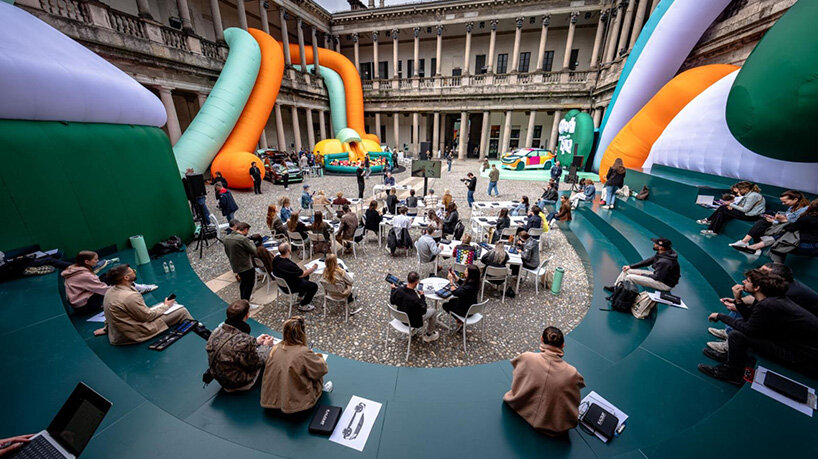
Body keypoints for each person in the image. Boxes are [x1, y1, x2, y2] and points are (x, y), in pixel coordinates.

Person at [698, 270, 818, 385]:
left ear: (757, 288)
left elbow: (748, 329)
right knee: (739, 322)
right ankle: (730, 357)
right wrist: (738, 301)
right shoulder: (771, 299)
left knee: (737, 335)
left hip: (802, 357)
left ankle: (731, 373)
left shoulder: (768, 304)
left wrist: (720, 316)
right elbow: (750, 320)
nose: (744, 282)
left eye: (748, 280)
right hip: (791, 345)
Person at [706, 262, 818, 353]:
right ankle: (728, 332)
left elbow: (752, 325)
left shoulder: (786, 295)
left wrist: (721, 315)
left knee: (741, 331)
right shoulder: (776, 289)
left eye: (763, 273)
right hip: (787, 327)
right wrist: (738, 301)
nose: (758, 274)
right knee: (741, 315)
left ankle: (729, 346)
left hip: (802, 344)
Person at [503, 326, 585, 437]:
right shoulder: (572, 373)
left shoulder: (526, 357)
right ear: (562, 345)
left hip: (517, 408)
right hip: (554, 428)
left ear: (541, 339)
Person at [103, 264, 192, 345]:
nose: (134, 271)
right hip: (135, 333)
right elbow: (147, 317)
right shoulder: (130, 296)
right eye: (132, 271)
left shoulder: (110, 291)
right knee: (181, 311)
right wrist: (166, 306)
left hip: (119, 334)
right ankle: (197, 332)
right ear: (126, 277)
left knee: (163, 306)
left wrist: (106, 329)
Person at [260, 316, 331, 412]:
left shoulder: (275, 348)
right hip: (295, 406)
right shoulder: (302, 352)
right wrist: (318, 357)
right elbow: (322, 369)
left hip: (270, 401)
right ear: (302, 333)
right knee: (314, 373)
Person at [206, 300, 274, 392]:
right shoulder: (245, 341)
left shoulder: (216, 331)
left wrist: (256, 342)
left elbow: (230, 345)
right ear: (247, 315)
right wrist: (266, 346)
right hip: (237, 383)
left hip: (219, 376)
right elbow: (256, 363)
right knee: (270, 354)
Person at [62, 251, 157, 315]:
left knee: (106, 276)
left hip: (80, 304)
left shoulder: (74, 268)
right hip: (85, 306)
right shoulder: (84, 276)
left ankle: (135, 286)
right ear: (87, 261)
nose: (98, 261)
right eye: (95, 259)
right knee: (115, 279)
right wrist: (124, 288)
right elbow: (103, 290)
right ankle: (134, 287)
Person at [729, 190, 809, 254]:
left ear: (795, 199)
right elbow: (787, 217)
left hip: (790, 228)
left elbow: (796, 223)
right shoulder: (792, 207)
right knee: (761, 222)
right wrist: (775, 219)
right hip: (781, 224)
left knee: (761, 224)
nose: (783, 204)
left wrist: (780, 220)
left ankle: (748, 244)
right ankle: (748, 244)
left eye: (785, 202)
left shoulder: (804, 209)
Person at [605, 237, 680, 292]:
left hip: (664, 284)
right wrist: (630, 266)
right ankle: (616, 288)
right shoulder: (663, 253)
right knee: (627, 271)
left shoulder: (665, 261)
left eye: (656, 244)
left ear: (661, 247)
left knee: (630, 277)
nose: (654, 244)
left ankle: (624, 297)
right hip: (658, 275)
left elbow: (658, 278)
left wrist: (643, 275)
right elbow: (648, 261)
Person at [700, 181, 766, 235]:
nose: (739, 191)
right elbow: (743, 206)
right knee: (722, 211)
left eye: (740, 189)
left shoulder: (753, 196)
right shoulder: (749, 194)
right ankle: (713, 229)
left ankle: (710, 222)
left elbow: (745, 209)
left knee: (723, 209)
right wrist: (732, 206)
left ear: (745, 189)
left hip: (751, 216)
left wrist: (730, 204)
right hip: (747, 213)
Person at [389, 271, 438, 342]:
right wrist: (422, 296)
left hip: (400, 318)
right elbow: (423, 310)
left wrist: (393, 289)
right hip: (412, 321)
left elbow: (392, 301)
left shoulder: (398, 289)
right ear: (416, 282)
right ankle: (429, 334)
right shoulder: (414, 299)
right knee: (433, 311)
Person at [272, 243, 318, 311]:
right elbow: (303, 274)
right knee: (314, 286)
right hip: (290, 286)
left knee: (306, 277)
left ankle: (300, 296)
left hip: (282, 284)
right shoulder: (289, 265)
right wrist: (313, 268)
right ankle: (303, 305)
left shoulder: (276, 259)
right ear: (288, 250)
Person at [223, 222, 258, 301]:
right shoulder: (243, 239)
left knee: (243, 284)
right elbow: (254, 251)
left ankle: (243, 299)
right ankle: (246, 302)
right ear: (245, 230)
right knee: (249, 285)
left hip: (236, 265)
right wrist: (251, 242)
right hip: (246, 266)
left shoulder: (226, 238)